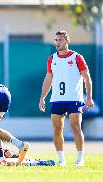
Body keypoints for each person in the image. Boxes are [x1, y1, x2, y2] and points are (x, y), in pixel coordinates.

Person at [39, 30, 94, 167]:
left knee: (75, 127)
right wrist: (42, 98)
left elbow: (87, 78)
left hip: (74, 98)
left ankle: (80, 159)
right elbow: (48, 78)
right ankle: (61, 159)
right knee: (57, 128)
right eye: (56, 40)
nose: (57, 42)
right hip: (57, 99)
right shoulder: (52, 59)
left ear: (67, 41)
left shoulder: (76, 57)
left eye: (60, 40)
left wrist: (89, 98)